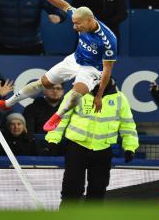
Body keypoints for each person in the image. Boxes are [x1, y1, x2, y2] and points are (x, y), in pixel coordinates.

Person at [0, 0, 118, 133]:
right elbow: (64, 4)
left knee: (75, 94)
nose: (74, 27)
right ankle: (6, 103)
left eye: (77, 24)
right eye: (73, 22)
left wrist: (98, 96)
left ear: (90, 20)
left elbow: (107, 70)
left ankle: (58, 116)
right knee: (40, 84)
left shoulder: (108, 40)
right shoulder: (81, 17)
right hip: (74, 59)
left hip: (92, 69)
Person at [45, 78, 139, 206]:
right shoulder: (76, 94)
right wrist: (53, 140)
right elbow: (61, 118)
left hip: (103, 151)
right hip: (76, 148)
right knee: (72, 190)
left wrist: (130, 147)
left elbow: (127, 125)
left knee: (97, 192)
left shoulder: (120, 99)